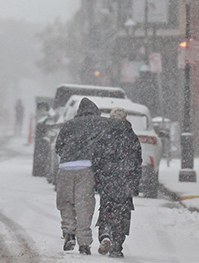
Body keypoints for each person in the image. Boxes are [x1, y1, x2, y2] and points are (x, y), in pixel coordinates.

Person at [54, 97, 109, 255]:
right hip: (86, 168)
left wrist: (68, 156)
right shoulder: (98, 124)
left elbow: (58, 146)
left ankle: (69, 233)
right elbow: (103, 147)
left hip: (65, 168)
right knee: (84, 205)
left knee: (65, 203)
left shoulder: (69, 124)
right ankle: (84, 243)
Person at [93, 108, 142, 258]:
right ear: (125, 119)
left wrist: (97, 178)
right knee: (123, 214)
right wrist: (134, 183)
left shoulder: (103, 134)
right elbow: (137, 161)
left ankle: (105, 234)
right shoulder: (131, 136)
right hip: (125, 181)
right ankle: (117, 245)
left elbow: (97, 157)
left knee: (106, 208)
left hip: (107, 180)